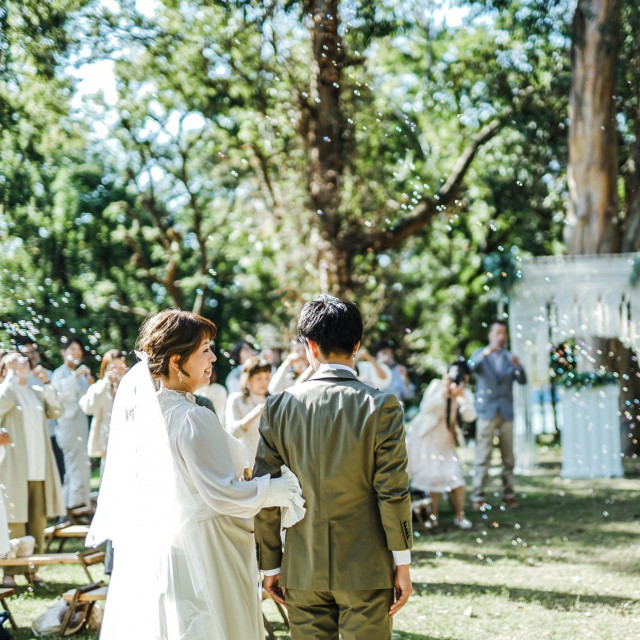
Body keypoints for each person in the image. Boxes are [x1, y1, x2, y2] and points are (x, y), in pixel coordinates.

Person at [87, 309, 304, 640]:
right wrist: (280, 489)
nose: (213, 357)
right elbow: (223, 493)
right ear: (177, 361)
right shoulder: (192, 417)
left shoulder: (146, 416)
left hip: (164, 546)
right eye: (205, 350)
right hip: (206, 547)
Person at [254, 294, 413, 640]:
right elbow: (393, 492)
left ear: (309, 346)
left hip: (301, 566)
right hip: (366, 568)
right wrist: (402, 563)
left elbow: (264, 493)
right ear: (356, 346)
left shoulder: (278, 407)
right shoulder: (381, 406)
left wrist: (271, 565)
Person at [0, 352, 65, 587]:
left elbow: (57, 411)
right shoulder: (6, 390)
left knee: (37, 518)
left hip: (38, 464)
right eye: (15, 361)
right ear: (5, 367)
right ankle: (9, 571)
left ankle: (31, 569)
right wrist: (9, 379)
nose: (23, 363)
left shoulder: (35, 390)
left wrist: (47, 384)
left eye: (25, 360)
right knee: (15, 518)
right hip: (14, 465)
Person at [406, 361, 475, 530]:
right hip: (429, 440)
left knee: (456, 478)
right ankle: (433, 517)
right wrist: (443, 393)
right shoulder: (437, 386)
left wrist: (461, 398)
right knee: (433, 479)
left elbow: (470, 417)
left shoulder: (465, 393)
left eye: (464, 378)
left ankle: (460, 516)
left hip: (447, 443)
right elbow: (426, 408)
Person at [468, 320, 527, 509]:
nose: (501, 337)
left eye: (504, 333)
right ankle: (478, 496)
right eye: (498, 333)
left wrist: (519, 367)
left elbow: (523, 380)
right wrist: (486, 353)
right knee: (483, 455)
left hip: (506, 413)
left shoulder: (511, 358)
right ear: (490, 335)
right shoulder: (480, 355)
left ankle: (508, 494)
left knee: (508, 457)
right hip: (486, 412)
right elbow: (469, 368)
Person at [51, 336, 93, 511]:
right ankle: (71, 505)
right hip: (67, 424)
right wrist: (75, 376)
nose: (76, 353)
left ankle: (81, 503)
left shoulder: (81, 374)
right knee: (73, 462)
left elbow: (86, 400)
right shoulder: (60, 373)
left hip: (80, 422)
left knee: (82, 460)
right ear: (63, 352)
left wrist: (91, 384)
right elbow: (57, 397)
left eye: (79, 350)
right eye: (72, 349)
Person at [79, 350, 128, 476]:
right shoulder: (98, 387)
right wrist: (106, 382)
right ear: (105, 370)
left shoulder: (131, 388)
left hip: (130, 443)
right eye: (113, 368)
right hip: (108, 446)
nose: (117, 371)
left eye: (121, 367)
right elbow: (88, 408)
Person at [225, 356, 271, 463]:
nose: (264, 382)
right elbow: (232, 432)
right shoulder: (235, 399)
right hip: (244, 463)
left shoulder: (273, 400)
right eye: (259, 378)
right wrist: (256, 412)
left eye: (267, 378)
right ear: (248, 378)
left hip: (269, 464)